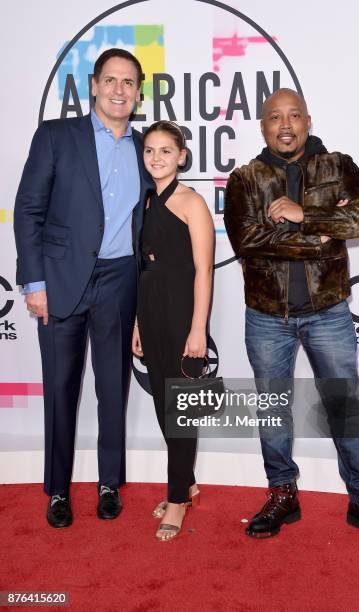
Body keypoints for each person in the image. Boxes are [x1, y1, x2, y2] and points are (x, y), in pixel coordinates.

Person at [224, 88, 359, 547]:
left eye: (293, 116)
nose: (284, 125)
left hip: (329, 311)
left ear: (308, 120)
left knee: (344, 408)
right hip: (266, 316)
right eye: (274, 117)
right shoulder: (243, 179)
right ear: (262, 125)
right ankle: (282, 493)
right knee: (273, 412)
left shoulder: (338, 166)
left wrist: (306, 215)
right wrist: (323, 236)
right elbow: (248, 241)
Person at [14, 48, 154, 528]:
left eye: (129, 82)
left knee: (113, 390)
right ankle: (57, 490)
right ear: (93, 85)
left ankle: (109, 483)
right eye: (111, 80)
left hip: (119, 281)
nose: (119, 89)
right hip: (60, 280)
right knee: (60, 389)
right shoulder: (56, 135)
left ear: (139, 91)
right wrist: (34, 282)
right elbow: (28, 211)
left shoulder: (144, 150)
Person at [132, 120, 214, 541]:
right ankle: (189, 482)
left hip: (183, 311)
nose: (157, 158)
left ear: (182, 156)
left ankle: (177, 500)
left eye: (166, 150)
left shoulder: (191, 202)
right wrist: (136, 322)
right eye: (149, 150)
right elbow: (143, 266)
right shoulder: (145, 202)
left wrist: (198, 328)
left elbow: (204, 271)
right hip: (150, 308)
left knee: (180, 409)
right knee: (166, 403)